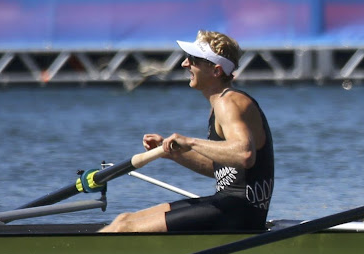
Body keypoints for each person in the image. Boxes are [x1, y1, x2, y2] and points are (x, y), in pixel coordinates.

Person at [100, 30, 274, 233]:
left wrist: (191, 142)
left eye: (193, 60)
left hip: (239, 214)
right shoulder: (222, 103)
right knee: (123, 220)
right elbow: (220, 167)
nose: (184, 64)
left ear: (216, 71)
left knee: (125, 229)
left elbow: (244, 155)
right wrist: (174, 152)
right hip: (229, 205)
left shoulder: (229, 103)